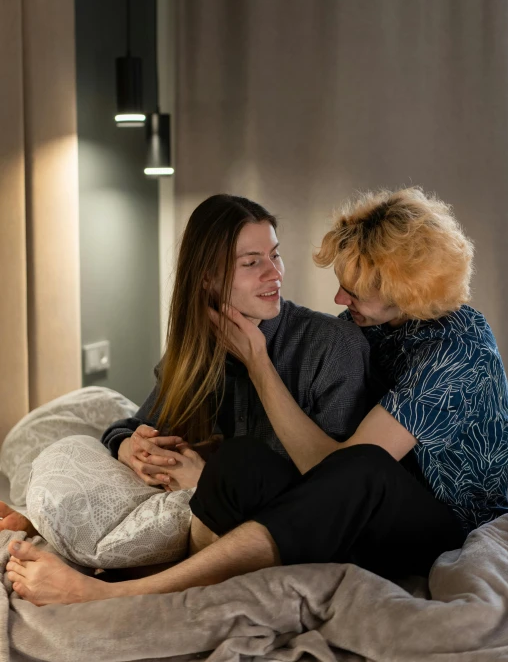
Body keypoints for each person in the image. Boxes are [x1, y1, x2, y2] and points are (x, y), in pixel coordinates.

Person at [6, 187, 508, 606]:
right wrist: (126, 451)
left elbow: (341, 471)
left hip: (440, 521)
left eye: (354, 292)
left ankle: (115, 594)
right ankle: (135, 572)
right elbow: (143, 423)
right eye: (253, 261)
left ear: (409, 290)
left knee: (361, 467)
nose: (339, 299)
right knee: (241, 461)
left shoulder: (453, 347)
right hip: (356, 502)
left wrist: (258, 364)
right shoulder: (367, 328)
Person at [0, 193, 370, 537]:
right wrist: (130, 445)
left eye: (275, 255)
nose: (274, 273)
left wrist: (206, 481)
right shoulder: (199, 351)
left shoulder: (334, 345)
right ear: (207, 277)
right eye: (251, 262)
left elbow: (332, 490)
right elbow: (133, 424)